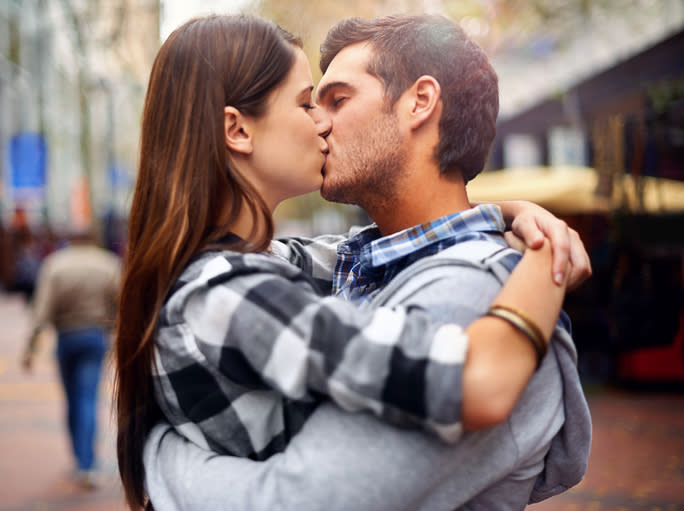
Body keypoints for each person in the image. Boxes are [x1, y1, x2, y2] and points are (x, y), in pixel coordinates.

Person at [116, 14, 590, 511]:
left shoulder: (473, 286)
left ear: (420, 102)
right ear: (236, 130)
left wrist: (162, 457)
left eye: (335, 100)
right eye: (306, 104)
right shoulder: (251, 283)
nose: (320, 122)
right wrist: (537, 248)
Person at [22, 228, 121, 489]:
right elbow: (123, 303)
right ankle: (88, 465)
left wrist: (30, 349)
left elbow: (41, 309)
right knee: (88, 398)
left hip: (67, 337)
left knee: (73, 399)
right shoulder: (108, 263)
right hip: (96, 336)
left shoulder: (55, 265)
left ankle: (80, 461)